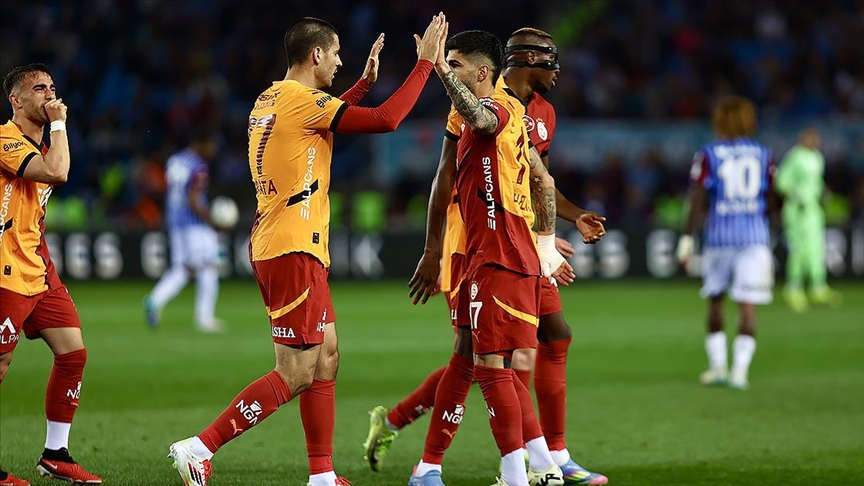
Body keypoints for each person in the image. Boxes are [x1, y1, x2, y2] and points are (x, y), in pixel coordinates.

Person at [166, 15, 447, 486]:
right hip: (291, 248)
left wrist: (361, 85)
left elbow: (319, 124)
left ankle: (322, 475)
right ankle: (199, 448)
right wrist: (425, 64)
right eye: (335, 53)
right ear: (315, 54)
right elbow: (387, 120)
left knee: (327, 356)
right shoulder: (300, 102)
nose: (339, 61)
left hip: (286, 243)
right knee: (295, 371)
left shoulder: (272, 98)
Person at [364, 28, 608, 485]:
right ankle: (526, 463)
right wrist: (435, 248)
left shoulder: (515, 111)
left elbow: (539, 178)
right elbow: (451, 172)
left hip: (508, 248)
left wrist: (546, 239)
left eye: (457, 64)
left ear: (480, 71)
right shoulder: (491, 109)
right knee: (480, 356)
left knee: (508, 353)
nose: (557, 70)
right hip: (470, 245)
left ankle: (533, 462)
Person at [0, 64, 102, 486]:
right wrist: (59, 123)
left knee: (73, 354)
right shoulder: (5, 139)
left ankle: (55, 454)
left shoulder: (42, 144)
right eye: (39, 88)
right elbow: (58, 172)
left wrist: (55, 129)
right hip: (5, 270)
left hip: (39, 270)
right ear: (16, 100)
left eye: (52, 87)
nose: (49, 94)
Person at [676, 96, 777, 391]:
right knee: (747, 306)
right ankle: (740, 372)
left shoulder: (709, 154)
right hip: (754, 238)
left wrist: (687, 238)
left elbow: (697, 199)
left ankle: (718, 367)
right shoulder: (763, 154)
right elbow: (772, 199)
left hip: (719, 238)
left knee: (716, 300)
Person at [143, 129, 227, 332]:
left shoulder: (175, 160)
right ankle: (204, 318)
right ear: (201, 143)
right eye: (211, 145)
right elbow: (193, 200)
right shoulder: (199, 167)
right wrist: (213, 222)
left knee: (182, 268)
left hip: (175, 222)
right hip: (195, 225)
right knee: (209, 266)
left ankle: (155, 299)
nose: (213, 150)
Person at [775, 128, 841, 312]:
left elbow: (816, 182)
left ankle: (818, 287)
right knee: (798, 249)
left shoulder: (818, 157)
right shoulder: (794, 156)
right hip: (797, 210)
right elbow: (781, 182)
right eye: (811, 139)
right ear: (803, 139)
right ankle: (793, 288)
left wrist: (823, 192)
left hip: (813, 209)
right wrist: (797, 198)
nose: (814, 142)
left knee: (815, 248)